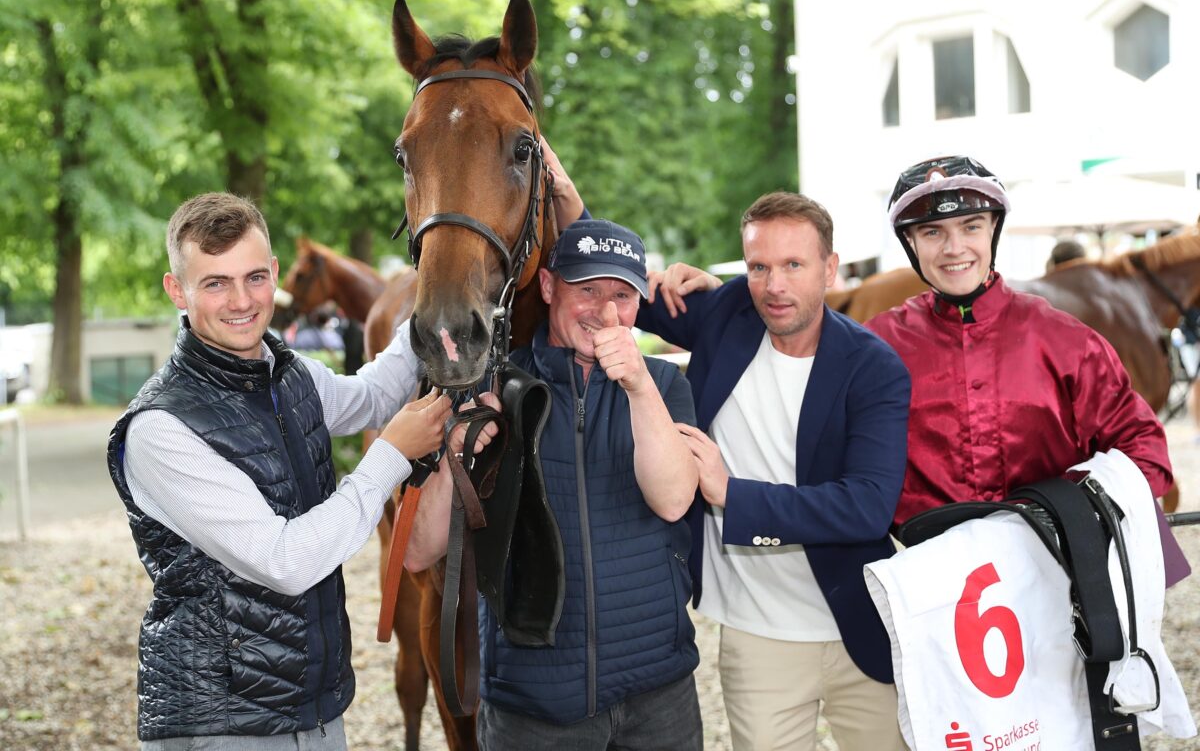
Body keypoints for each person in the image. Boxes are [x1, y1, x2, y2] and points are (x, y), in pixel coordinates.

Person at [108, 192, 453, 749]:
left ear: (274, 274)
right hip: (222, 725)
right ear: (176, 290)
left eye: (254, 278)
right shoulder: (161, 428)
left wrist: (433, 305)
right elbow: (285, 562)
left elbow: (370, 396)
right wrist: (390, 456)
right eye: (215, 283)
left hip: (313, 708)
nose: (241, 300)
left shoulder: (288, 376)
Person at [405, 219, 704, 751]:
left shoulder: (663, 385)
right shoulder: (494, 387)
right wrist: (455, 457)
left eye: (622, 295)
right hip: (533, 704)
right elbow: (417, 551)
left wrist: (638, 386)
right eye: (586, 289)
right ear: (547, 287)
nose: (605, 312)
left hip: (659, 693)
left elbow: (674, 499)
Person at [641, 192, 911, 751]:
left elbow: (867, 506)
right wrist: (561, 190)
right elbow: (608, 278)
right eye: (759, 267)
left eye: (793, 264)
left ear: (829, 269)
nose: (774, 286)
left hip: (859, 627)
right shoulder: (728, 315)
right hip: (756, 633)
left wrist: (731, 494)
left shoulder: (874, 366)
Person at [863, 155, 1172, 526]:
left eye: (970, 227)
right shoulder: (875, 347)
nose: (954, 247)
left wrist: (1075, 513)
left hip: (1052, 555)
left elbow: (1146, 450)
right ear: (910, 242)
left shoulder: (1068, 341)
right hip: (930, 558)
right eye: (932, 232)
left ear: (993, 228)